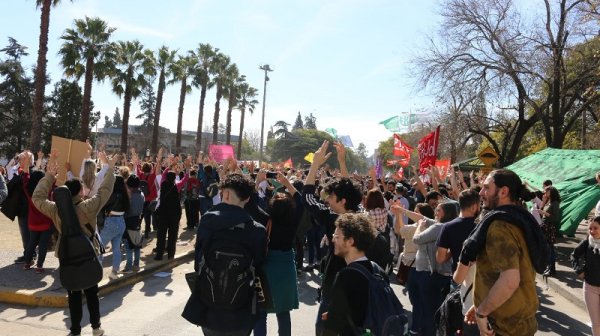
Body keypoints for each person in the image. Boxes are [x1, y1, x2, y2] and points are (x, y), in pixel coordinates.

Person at [32, 151, 117, 336]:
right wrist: (109, 169)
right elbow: (105, 192)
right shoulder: (88, 207)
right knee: (92, 293)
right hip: (88, 254)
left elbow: (37, 198)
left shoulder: (56, 210)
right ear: (80, 191)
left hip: (67, 255)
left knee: (74, 294)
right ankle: (96, 328)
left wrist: (48, 177)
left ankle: (75, 330)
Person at [183, 173, 267, 336]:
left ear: (226, 193)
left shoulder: (207, 220)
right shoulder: (257, 230)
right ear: (248, 199)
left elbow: (198, 259)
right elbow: (258, 264)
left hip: (209, 304)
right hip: (241, 308)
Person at [461, 169, 539, 336]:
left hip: (505, 326)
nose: (481, 193)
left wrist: (482, 312)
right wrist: (481, 305)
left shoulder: (499, 227)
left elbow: (510, 280)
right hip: (519, 319)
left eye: (486, 188)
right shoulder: (521, 219)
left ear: (503, 192)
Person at [253, 173, 303, 336]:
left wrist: (258, 182)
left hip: (267, 267)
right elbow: (301, 201)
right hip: (286, 268)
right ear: (291, 208)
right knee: (283, 313)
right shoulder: (293, 221)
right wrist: (287, 183)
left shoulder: (266, 219)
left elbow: (251, 204)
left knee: (261, 312)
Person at [321, 212, 377, 334]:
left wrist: (332, 315)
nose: (333, 240)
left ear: (350, 241)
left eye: (336, 236)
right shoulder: (377, 269)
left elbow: (332, 325)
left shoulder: (345, 276)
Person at [571, 216, 600, 336]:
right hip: (590, 287)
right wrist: (579, 270)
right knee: (596, 323)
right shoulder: (587, 242)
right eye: (590, 228)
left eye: (596, 228)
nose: (592, 231)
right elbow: (574, 255)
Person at [100, 175, 130, 279]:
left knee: (99, 248)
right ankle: (114, 272)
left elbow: (102, 205)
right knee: (116, 249)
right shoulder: (125, 195)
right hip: (121, 222)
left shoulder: (112, 194)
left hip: (111, 221)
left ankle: (96, 273)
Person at [123, 175, 144, 273]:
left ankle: (128, 267)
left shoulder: (128, 196)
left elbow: (125, 210)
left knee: (128, 246)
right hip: (138, 221)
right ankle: (136, 265)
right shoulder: (142, 194)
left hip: (128, 221)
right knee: (137, 244)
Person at [539, 185, 561, 276]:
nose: (545, 193)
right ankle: (548, 267)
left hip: (549, 227)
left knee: (550, 249)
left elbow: (555, 218)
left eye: (546, 191)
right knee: (547, 248)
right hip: (545, 226)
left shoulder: (555, 203)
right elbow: (540, 210)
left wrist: (545, 213)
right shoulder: (549, 201)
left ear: (551, 192)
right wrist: (543, 202)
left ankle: (552, 269)